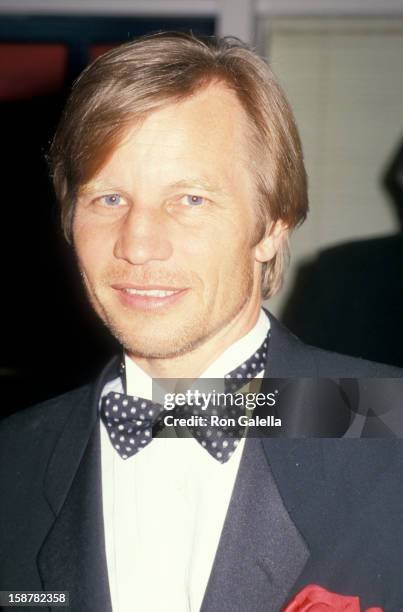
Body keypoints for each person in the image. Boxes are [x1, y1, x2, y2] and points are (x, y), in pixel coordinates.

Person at [0, 32, 402, 612]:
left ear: (270, 229)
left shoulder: (390, 433)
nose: (138, 245)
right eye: (108, 199)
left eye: (189, 199)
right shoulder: (12, 459)